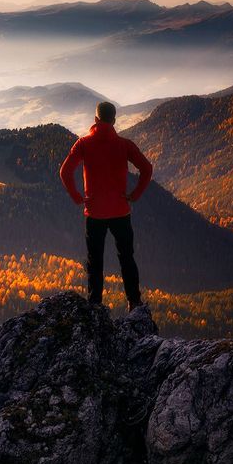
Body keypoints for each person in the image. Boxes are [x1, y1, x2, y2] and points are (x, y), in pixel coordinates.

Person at [59, 101, 153, 310]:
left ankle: (95, 305)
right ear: (114, 121)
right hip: (121, 210)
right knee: (127, 257)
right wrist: (135, 195)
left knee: (95, 261)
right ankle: (134, 302)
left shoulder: (83, 144)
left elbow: (65, 172)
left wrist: (77, 197)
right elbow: (147, 169)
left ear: (95, 120)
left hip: (94, 213)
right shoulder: (125, 145)